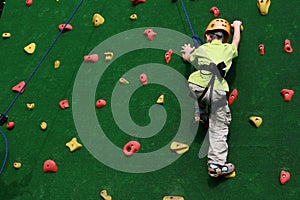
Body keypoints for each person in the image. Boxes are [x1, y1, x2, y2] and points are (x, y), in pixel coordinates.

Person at [181, 18, 242, 178]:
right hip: (217, 90)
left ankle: (200, 111)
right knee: (219, 125)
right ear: (224, 38)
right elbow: (236, 41)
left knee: (201, 97)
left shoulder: (201, 50)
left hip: (196, 85)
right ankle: (216, 164)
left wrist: (188, 51)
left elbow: (187, 58)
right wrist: (236, 26)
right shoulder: (229, 49)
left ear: (208, 37)